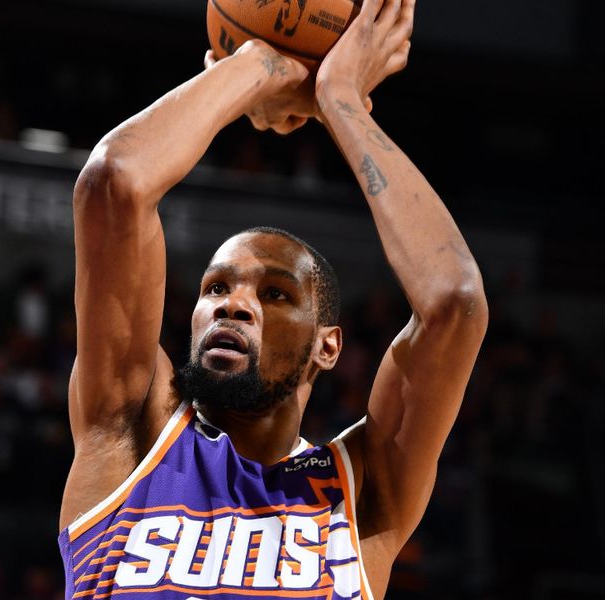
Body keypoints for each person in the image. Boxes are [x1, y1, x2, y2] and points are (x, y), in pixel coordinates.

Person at [58, 0, 488, 598]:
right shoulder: (130, 435)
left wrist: (340, 101)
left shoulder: (362, 491)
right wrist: (263, 63)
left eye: (276, 293)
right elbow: (114, 183)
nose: (234, 305)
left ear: (327, 346)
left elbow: (455, 303)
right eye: (215, 288)